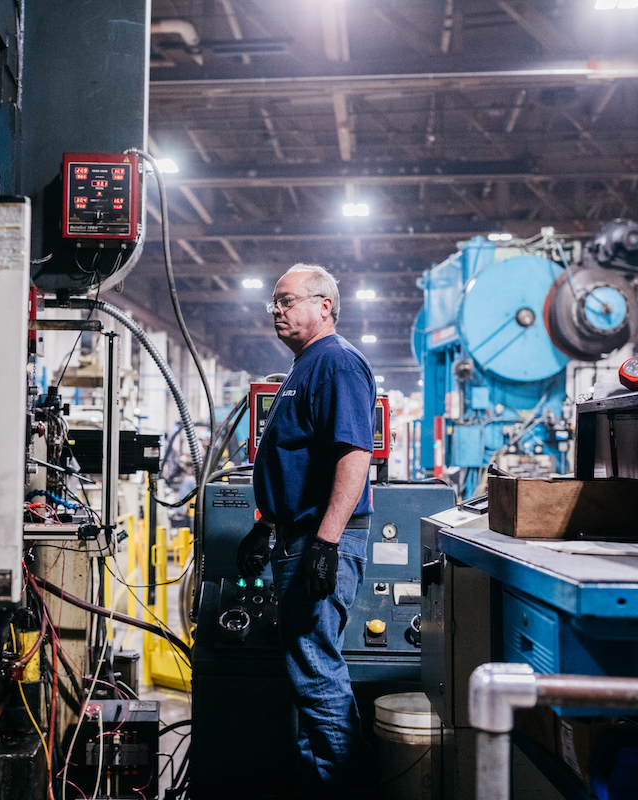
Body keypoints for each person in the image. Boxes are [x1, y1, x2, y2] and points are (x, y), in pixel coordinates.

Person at [238, 264, 379, 798]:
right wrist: (265, 525)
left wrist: (326, 542)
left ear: (324, 305)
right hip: (295, 538)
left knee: (317, 677)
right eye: (273, 302)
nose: (276, 310)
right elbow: (299, 459)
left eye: (287, 300)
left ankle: (350, 788)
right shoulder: (305, 367)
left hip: (318, 544)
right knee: (306, 680)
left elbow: (353, 455)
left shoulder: (336, 362)